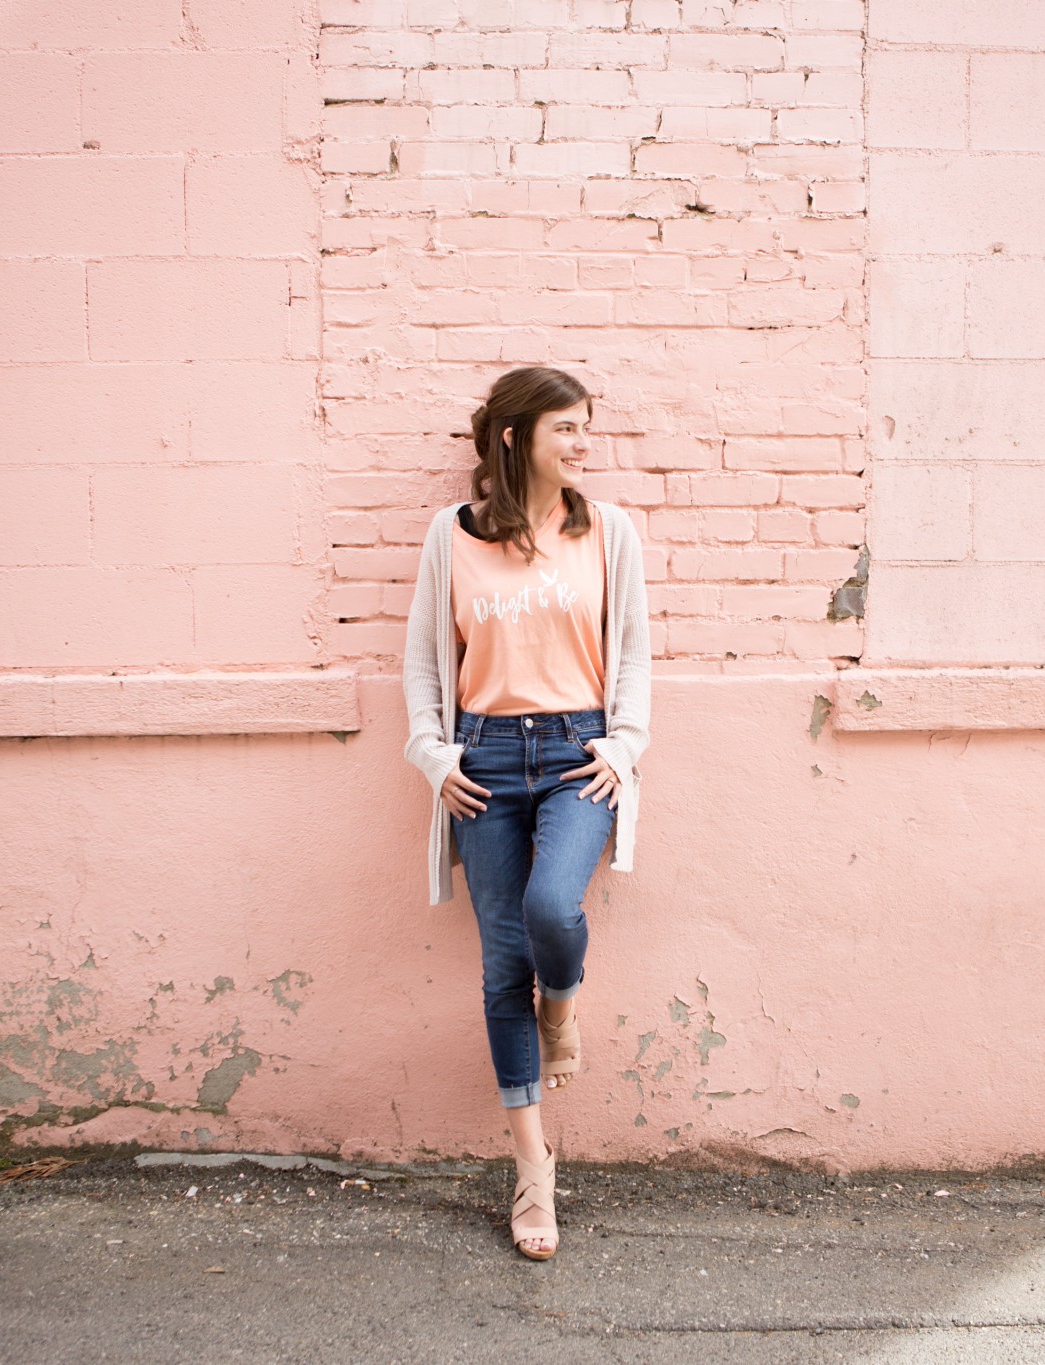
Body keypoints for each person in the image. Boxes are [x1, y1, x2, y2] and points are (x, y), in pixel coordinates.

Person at [400, 365, 651, 1260]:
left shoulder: (606, 530)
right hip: (488, 759)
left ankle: (565, 1003)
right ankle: (533, 1171)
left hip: (579, 755)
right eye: (566, 430)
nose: (583, 445)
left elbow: (634, 657)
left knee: (552, 912)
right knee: (504, 960)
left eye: (586, 427)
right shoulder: (452, 536)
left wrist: (621, 746)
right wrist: (434, 758)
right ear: (515, 439)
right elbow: (426, 660)